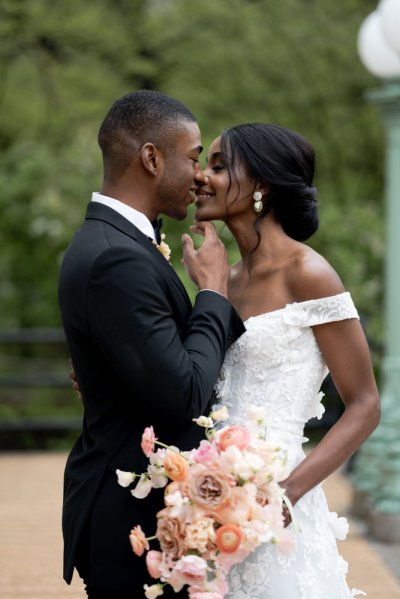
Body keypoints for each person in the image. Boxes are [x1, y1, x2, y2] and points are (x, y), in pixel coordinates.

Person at [58, 90, 245, 599]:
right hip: (132, 523)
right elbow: (183, 393)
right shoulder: (116, 258)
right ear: (151, 157)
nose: (199, 175)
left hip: (143, 512)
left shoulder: (120, 244)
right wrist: (212, 292)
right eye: (192, 157)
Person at [192, 123, 380, 598]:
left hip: (279, 495)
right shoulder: (222, 280)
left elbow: (364, 404)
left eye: (217, 166)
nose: (200, 177)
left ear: (261, 184)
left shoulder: (309, 273)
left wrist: (288, 492)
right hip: (209, 495)